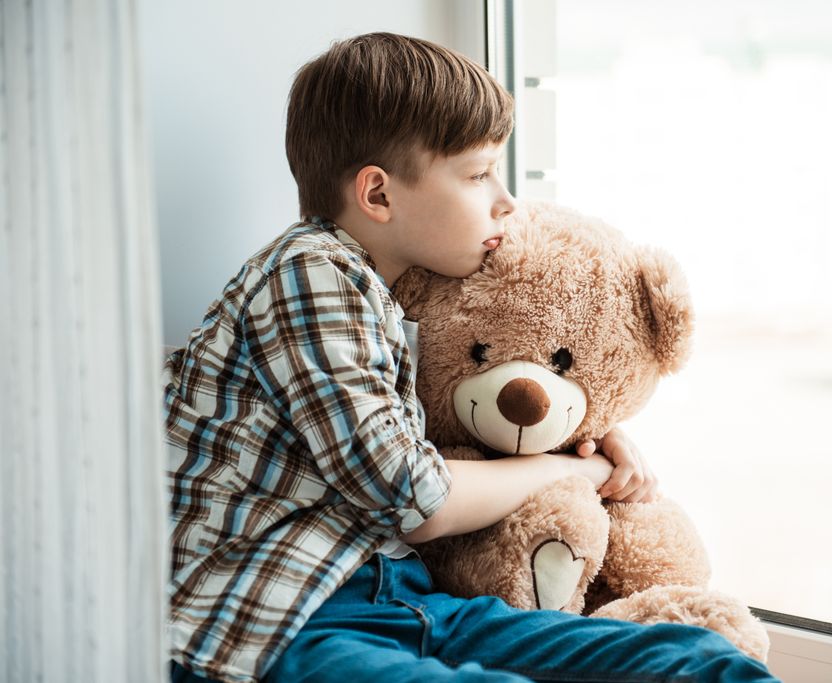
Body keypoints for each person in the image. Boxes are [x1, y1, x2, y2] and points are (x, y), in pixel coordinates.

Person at [163, 32, 779, 683]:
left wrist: (587, 436)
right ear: (378, 196)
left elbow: (453, 416)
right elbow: (414, 496)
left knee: (692, 657)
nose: (505, 201)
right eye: (479, 174)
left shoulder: (388, 291)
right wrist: (572, 471)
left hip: (403, 600)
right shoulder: (309, 273)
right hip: (281, 616)